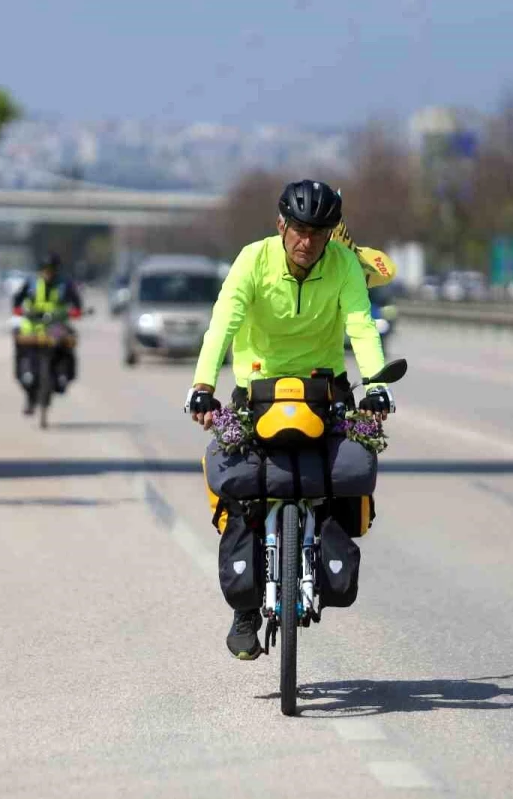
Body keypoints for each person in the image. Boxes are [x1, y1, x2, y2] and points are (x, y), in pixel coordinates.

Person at [185, 179, 396, 660]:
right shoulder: (252, 260)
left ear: (331, 234)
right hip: (256, 391)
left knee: (340, 477)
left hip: (325, 389)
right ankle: (245, 610)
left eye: (319, 233)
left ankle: (324, 553)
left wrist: (377, 384)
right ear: (282, 225)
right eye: (300, 230)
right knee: (243, 489)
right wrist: (202, 386)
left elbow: (361, 325)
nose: (307, 242)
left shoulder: (343, 265)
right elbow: (224, 322)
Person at [11, 252, 83, 415]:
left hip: (55, 327)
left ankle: (63, 377)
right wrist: (18, 309)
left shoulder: (65, 284)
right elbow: (17, 300)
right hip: (33, 326)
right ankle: (30, 393)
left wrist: (76, 312)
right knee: (21, 347)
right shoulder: (31, 283)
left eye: (51, 270)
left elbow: (77, 304)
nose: (48, 273)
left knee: (68, 344)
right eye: (45, 269)